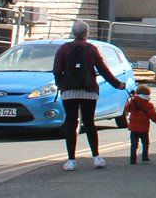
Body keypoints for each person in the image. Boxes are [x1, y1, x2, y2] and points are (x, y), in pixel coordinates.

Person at [52, 21, 125, 170]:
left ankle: (71, 160)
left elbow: (57, 70)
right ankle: (96, 157)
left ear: (73, 33)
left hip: (69, 91)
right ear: (86, 33)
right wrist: (117, 84)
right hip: (89, 91)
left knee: (71, 123)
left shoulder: (63, 49)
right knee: (89, 123)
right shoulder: (91, 49)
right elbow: (103, 70)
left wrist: (61, 84)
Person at [123, 84, 156, 165]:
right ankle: (145, 156)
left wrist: (130, 99)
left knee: (134, 143)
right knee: (145, 142)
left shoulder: (132, 101)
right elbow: (153, 116)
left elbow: (127, 109)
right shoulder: (149, 105)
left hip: (133, 127)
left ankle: (133, 159)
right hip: (143, 128)